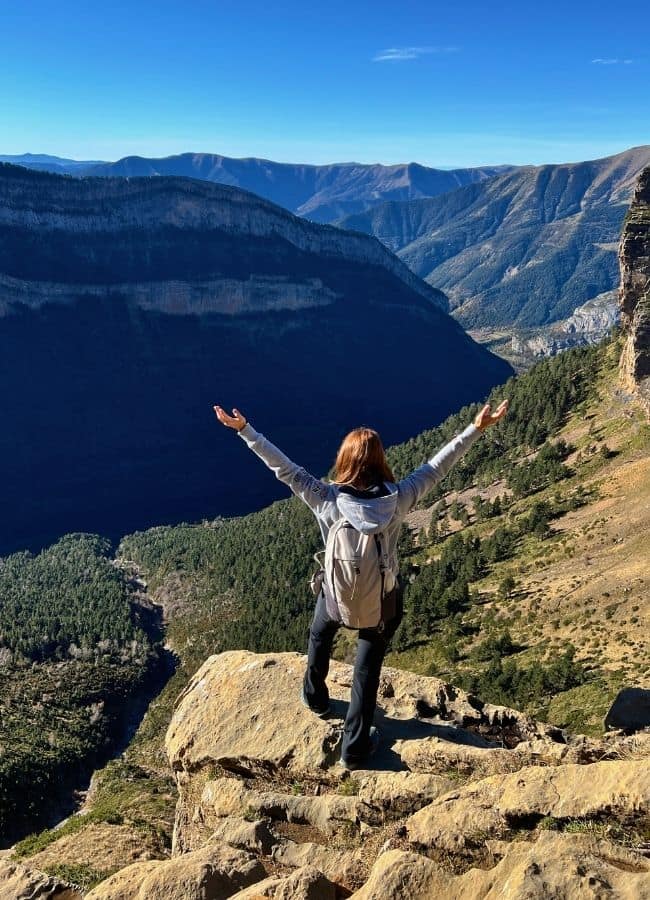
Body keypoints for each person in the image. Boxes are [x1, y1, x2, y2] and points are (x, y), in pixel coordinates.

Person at [214, 399, 508, 769]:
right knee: (365, 672)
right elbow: (437, 467)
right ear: (381, 461)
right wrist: (476, 429)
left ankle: (315, 697)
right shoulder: (398, 498)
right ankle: (354, 751)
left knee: (320, 634)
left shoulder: (327, 499)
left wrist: (245, 431)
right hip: (381, 603)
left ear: (345, 460)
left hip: (336, 596)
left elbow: (284, 469)